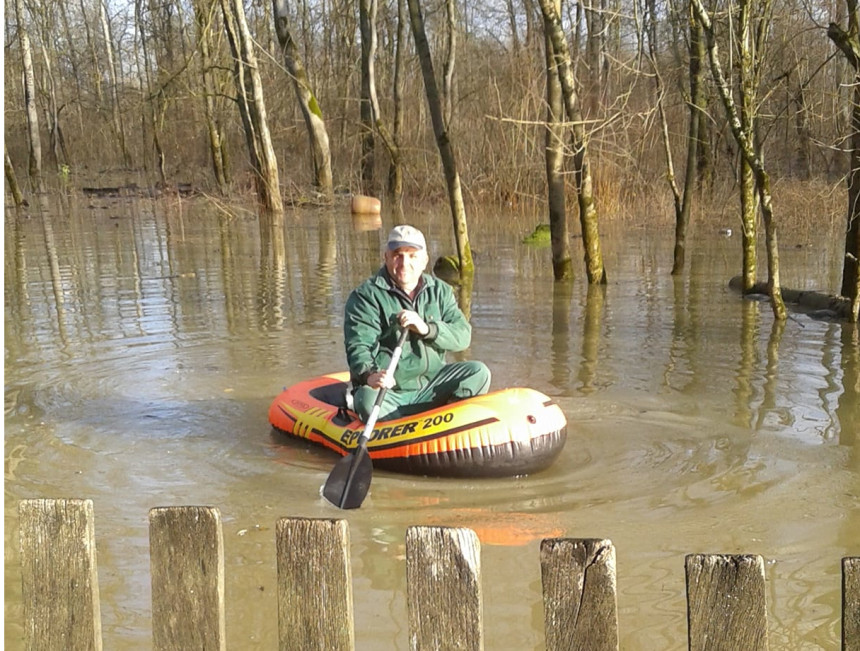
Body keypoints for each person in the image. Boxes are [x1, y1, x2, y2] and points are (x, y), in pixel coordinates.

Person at [344, 224, 491, 422]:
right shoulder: (365, 296)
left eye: (412, 256)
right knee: (366, 399)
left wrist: (427, 329)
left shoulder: (440, 291)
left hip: (433, 386)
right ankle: (396, 422)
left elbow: (463, 336)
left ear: (424, 260)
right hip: (391, 392)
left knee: (479, 372)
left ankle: (445, 417)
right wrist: (370, 375)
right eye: (398, 254)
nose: (404, 263)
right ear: (385, 257)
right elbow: (358, 346)